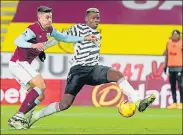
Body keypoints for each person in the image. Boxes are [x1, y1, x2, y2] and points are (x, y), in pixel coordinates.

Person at [27, 8, 156, 128]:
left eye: (98, 18)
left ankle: (138, 101)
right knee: (65, 104)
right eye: (93, 18)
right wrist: (42, 47)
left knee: (117, 74)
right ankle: (35, 116)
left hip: (94, 69)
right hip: (78, 71)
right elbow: (60, 38)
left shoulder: (98, 35)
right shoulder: (78, 28)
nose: (96, 21)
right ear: (87, 19)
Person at [8, 6, 96, 129]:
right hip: (18, 63)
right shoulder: (33, 29)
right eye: (46, 17)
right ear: (39, 18)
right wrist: (33, 45)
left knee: (40, 96)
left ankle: (17, 118)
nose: (49, 20)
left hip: (24, 64)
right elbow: (17, 41)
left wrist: (84, 38)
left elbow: (65, 38)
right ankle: (18, 116)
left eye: (50, 17)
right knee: (41, 86)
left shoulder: (50, 30)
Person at [164, 30, 183, 109]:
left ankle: (181, 103)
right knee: (172, 85)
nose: (174, 36)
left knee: (180, 85)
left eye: (176, 35)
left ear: (179, 35)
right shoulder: (168, 42)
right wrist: (165, 66)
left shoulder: (181, 43)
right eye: (173, 35)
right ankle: (174, 102)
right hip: (171, 67)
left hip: (179, 67)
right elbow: (167, 54)